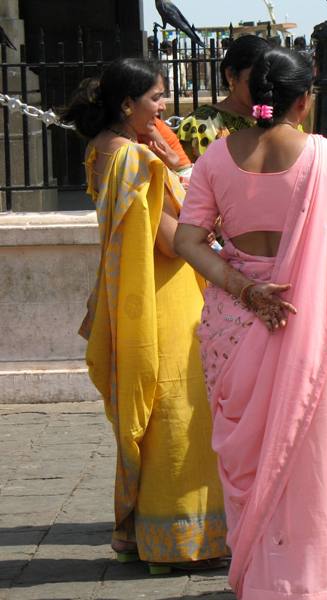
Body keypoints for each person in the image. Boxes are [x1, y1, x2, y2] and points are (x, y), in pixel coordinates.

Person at [173, 47, 327, 599]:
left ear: (252, 97)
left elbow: (187, 241)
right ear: (306, 99)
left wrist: (245, 288)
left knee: (258, 463)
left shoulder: (216, 159)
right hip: (315, 327)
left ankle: (269, 583)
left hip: (236, 326)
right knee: (324, 462)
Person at [62, 58, 227, 573]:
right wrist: (183, 177)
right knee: (177, 413)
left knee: (150, 414)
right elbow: (173, 243)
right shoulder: (135, 160)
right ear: (127, 104)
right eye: (156, 98)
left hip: (131, 297)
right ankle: (178, 542)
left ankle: (138, 532)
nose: (163, 108)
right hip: (166, 298)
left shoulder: (100, 150)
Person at [178, 35, 270, 161]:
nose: (264, 89)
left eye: (270, 82)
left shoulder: (282, 118)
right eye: (255, 82)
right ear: (231, 75)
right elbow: (185, 175)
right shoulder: (200, 125)